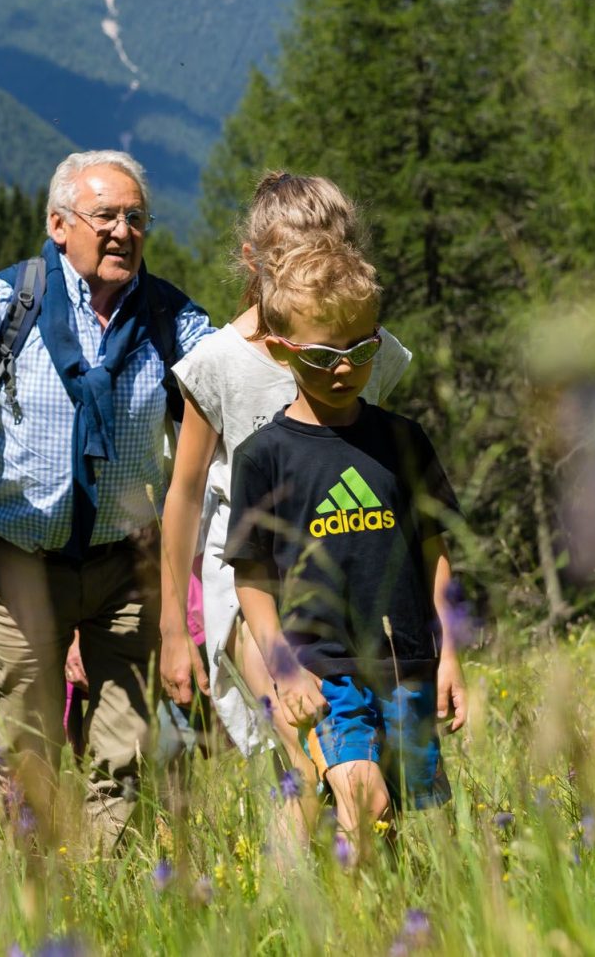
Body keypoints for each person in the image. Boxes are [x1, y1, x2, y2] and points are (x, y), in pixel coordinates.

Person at [0, 149, 211, 847]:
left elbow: (223, 371)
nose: (124, 230)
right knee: (29, 743)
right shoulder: (9, 302)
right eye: (107, 216)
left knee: (122, 746)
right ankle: (35, 887)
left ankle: (107, 888)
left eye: (137, 217)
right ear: (60, 225)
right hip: (17, 562)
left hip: (124, 564)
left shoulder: (169, 317)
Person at [225, 234, 467, 857]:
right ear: (282, 352)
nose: (342, 368)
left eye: (361, 350)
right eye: (322, 354)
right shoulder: (263, 458)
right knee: (363, 797)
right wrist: (282, 668)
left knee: (422, 820)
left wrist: (451, 655)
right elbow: (251, 578)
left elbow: (434, 553)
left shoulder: (403, 441)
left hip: (407, 660)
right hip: (323, 669)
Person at [157, 173, 413, 755]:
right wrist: (176, 626)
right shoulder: (219, 363)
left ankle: (315, 848)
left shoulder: (371, 348)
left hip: (350, 584)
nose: (313, 276)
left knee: (350, 775)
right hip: (252, 587)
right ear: (254, 261)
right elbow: (185, 493)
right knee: (314, 750)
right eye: (294, 260)